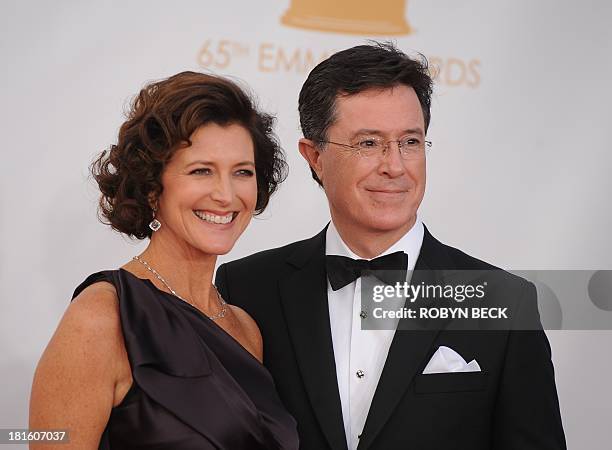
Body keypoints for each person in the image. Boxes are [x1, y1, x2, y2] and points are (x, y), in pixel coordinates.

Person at [215, 43, 567, 449]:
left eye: (410, 142)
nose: (395, 166)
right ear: (314, 157)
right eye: (369, 143)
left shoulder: (504, 301)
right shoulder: (246, 288)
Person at [29, 71, 299, 449]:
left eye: (242, 172)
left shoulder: (245, 328)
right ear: (153, 186)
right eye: (201, 171)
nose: (225, 194)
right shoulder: (104, 317)